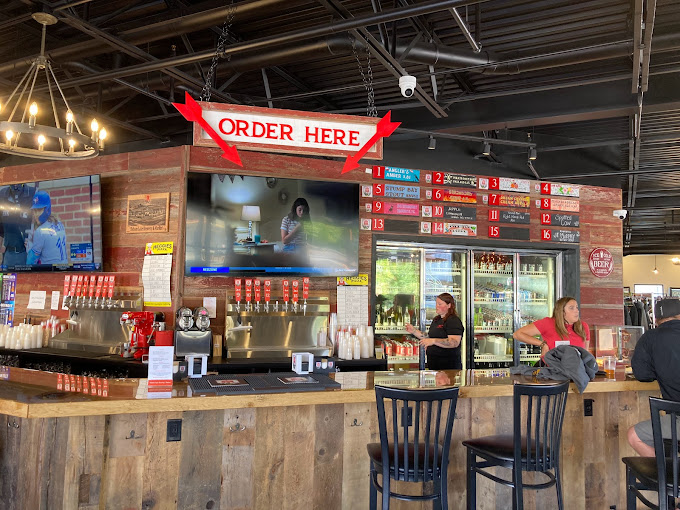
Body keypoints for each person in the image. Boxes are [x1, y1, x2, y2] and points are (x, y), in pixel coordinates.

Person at [627, 298, 680, 457]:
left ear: (656, 320)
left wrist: (660, 370)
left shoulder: (650, 337)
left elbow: (642, 375)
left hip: (678, 419)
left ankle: (671, 475)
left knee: (634, 436)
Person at [512, 296, 590, 358]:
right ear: (562, 311)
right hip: (553, 371)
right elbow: (518, 334)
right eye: (571, 308)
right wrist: (542, 344)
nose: (577, 311)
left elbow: (586, 355)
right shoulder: (548, 323)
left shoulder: (583, 326)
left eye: (576, 307)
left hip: (576, 372)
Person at [405, 293, 464, 369]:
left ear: (449, 305)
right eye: (436, 304)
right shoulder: (437, 320)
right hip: (434, 364)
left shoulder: (453, 321)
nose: (437, 306)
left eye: (440, 304)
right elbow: (429, 337)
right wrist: (414, 331)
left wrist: (433, 341)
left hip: (448, 365)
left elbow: (454, 342)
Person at [26, 190, 67, 265]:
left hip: (50, 273)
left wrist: (29, 247)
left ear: (47, 209)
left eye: (39, 210)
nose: (35, 214)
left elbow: (30, 263)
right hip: (63, 270)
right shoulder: (59, 223)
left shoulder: (40, 231)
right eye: (34, 211)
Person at [0, 183, 36, 267]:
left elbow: (38, 223)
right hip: (9, 253)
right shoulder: (2, 195)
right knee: (7, 279)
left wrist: (34, 244)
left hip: (26, 252)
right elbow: (0, 230)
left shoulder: (31, 193)